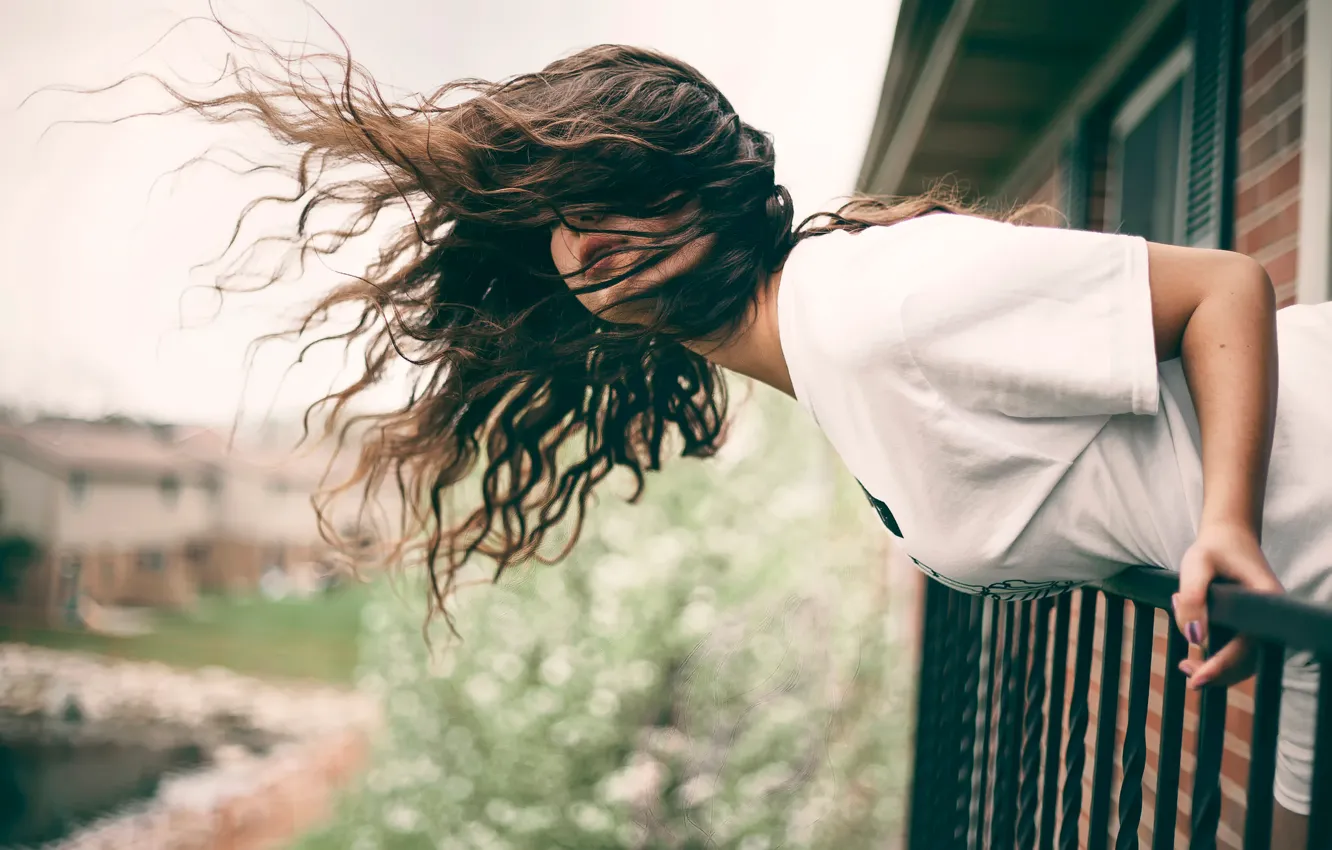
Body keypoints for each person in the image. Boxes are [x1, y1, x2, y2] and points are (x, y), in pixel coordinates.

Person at [112, 37, 1328, 839]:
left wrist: (1216, 527)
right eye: (558, 219)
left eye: (608, 204)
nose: (580, 247)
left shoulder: (870, 304)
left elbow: (1223, 284)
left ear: (708, 195)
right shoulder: (826, 338)